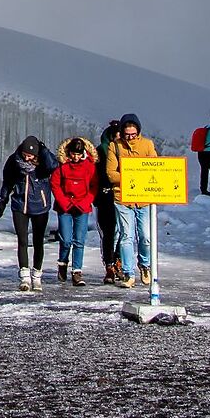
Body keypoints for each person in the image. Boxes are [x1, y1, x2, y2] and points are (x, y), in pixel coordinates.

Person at [0, 134, 56, 290]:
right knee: (22, 241)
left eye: (31, 155)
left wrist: (43, 150)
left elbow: (54, 165)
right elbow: (7, 182)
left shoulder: (43, 163)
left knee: (38, 241)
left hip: (40, 206)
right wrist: (3, 201)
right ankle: (24, 276)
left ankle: (37, 275)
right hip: (20, 205)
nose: (27, 158)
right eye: (25, 155)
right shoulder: (14, 161)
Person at [105, 112, 158, 287]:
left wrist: (142, 178)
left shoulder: (147, 145)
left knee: (145, 236)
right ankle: (128, 273)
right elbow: (111, 173)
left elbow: (155, 168)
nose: (130, 137)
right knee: (126, 236)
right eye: (127, 134)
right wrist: (133, 176)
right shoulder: (115, 146)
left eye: (133, 134)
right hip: (123, 197)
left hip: (143, 197)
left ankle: (145, 265)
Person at [50, 134, 98, 287]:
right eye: (73, 153)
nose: (76, 157)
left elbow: (93, 186)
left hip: (82, 207)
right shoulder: (62, 167)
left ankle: (77, 271)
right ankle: (63, 263)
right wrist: (64, 202)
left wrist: (85, 202)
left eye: (78, 154)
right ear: (69, 153)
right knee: (66, 239)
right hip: (65, 207)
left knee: (79, 240)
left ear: (83, 153)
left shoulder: (89, 167)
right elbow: (55, 185)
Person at [95, 119, 122, 283]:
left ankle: (119, 260)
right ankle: (109, 264)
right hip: (105, 195)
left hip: (121, 195)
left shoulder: (125, 151)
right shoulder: (101, 152)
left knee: (124, 232)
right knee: (108, 232)